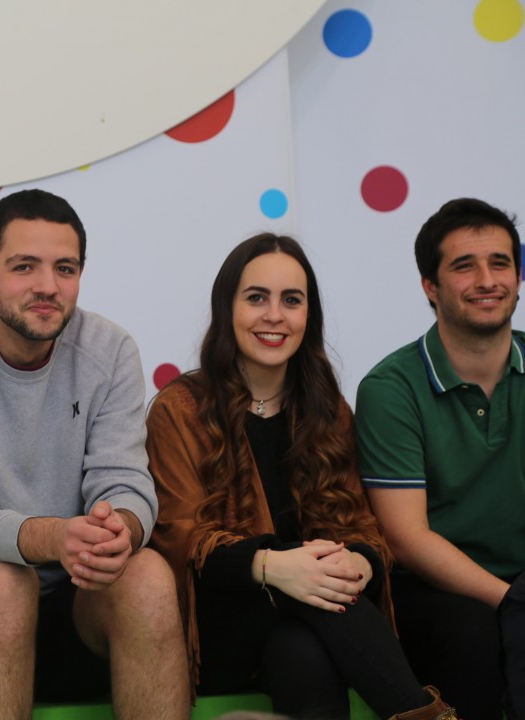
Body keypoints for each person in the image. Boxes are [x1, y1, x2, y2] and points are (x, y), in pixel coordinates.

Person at [0, 188, 189, 720]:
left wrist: (118, 529)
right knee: (3, 583)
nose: (47, 286)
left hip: (73, 604)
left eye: (65, 268)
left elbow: (125, 482)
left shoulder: (111, 350)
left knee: (145, 574)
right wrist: (55, 536)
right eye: (24, 266)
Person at [146, 233, 455, 719]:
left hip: (307, 621)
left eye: (291, 300)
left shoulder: (327, 409)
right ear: (227, 308)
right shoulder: (180, 409)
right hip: (219, 628)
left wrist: (360, 564)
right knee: (320, 599)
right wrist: (275, 566)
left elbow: (361, 526)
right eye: (256, 298)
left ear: (308, 315)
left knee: (303, 649)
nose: (275, 315)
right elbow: (180, 540)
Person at [355, 197, 525, 720]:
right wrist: (511, 601)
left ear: (519, 277)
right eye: (464, 266)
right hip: (434, 592)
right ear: (430, 286)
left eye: (500, 263)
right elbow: (407, 538)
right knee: (476, 633)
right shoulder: (391, 387)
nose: (487, 280)